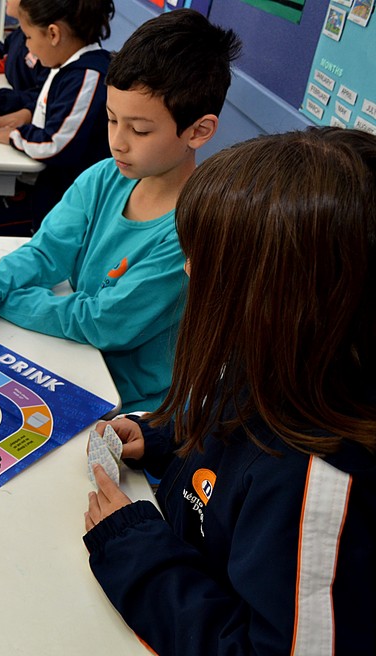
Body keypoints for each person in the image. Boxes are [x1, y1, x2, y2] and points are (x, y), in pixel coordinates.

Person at [83, 128, 376, 654]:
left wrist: (134, 549)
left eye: (208, 258)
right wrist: (162, 434)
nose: (190, 270)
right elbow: (234, 427)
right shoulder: (280, 356)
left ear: (288, 292)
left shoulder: (320, 482)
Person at [0, 9, 241, 412]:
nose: (118, 143)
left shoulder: (193, 229)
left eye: (140, 130)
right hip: (75, 361)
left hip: (136, 405)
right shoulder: (103, 177)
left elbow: (102, 322)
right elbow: (47, 251)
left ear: (198, 131)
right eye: (112, 121)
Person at [0, 0, 115, 236]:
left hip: (63, 212)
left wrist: (14, 135)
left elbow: (55, 144)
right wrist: (3, 106)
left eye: (28, 37)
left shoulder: (88, 76)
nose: (27, 46)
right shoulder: (66, 65)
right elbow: (42, 112)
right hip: (48, 188)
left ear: (54, 34)